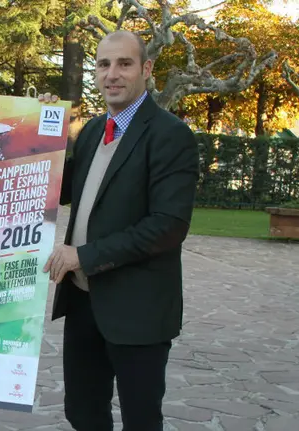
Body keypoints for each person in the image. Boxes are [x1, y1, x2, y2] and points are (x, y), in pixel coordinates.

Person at [41, 30, 200, 431]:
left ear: (146, 69)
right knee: (83, 412)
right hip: (83, 303)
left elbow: (169, 226)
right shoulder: (94, 130)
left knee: (140, 420)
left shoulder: (170, 135)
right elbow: (59, 188)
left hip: (137, 310)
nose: (112, 74)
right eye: (103, 64)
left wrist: (83, 256)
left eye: (124, 64)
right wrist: (41, 131)